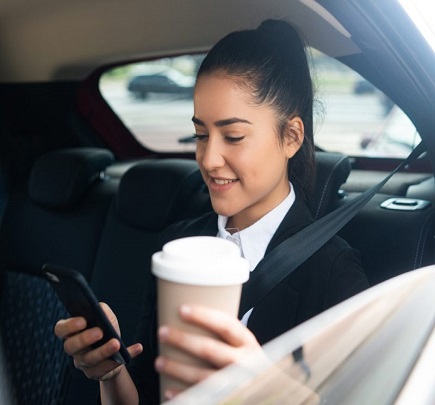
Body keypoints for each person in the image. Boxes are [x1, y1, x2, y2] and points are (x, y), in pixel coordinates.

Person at [55, 19, 369, 404]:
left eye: (233, 136)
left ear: (291, 137)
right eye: (201, 135)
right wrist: (111, 372)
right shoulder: (177, 244)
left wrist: (273, 390)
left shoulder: (332, 272)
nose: (209, 158)